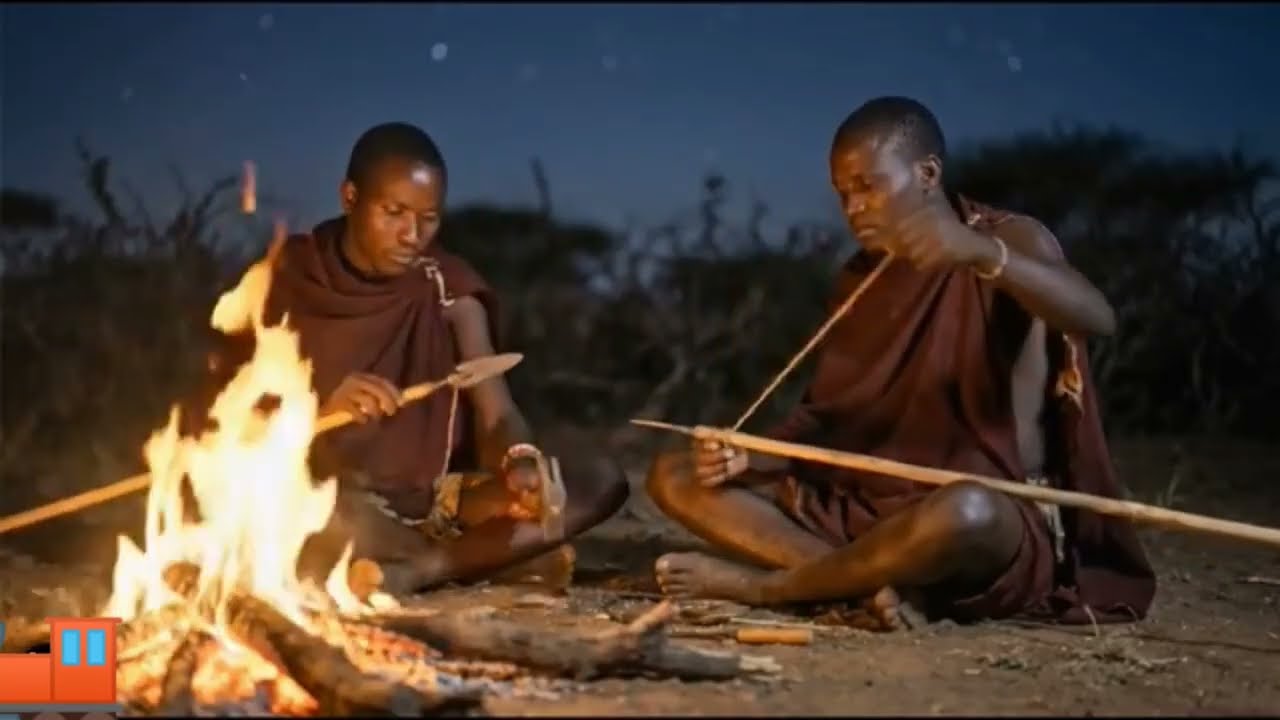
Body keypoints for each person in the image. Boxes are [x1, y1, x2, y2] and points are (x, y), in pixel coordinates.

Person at [644, 97, 1156, 629]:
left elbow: (1097, 318)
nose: (853, 207)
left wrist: (981, 255)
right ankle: (871, 584)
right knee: (675, 475)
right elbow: (834, 418)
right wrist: (751, 458)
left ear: (928, 173)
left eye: (868, 186)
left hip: (986, 515)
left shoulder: (1008, 239)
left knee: (967, 511)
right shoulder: (860, 277)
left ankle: (773, 587)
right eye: (843, 193)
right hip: (871, 507)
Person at [206, 122, 629, 594]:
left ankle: (423, 568)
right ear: (350, 197)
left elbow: (498, 415)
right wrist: (317, 408)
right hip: (328, 492)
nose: (412, 235)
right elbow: (225, 427)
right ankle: (491, 556)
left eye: (429, 218)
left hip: (438, 502)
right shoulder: (283, 278)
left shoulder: (447, 286)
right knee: (321, 516)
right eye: (394, 213)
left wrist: (519, 461)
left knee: (596, 479)